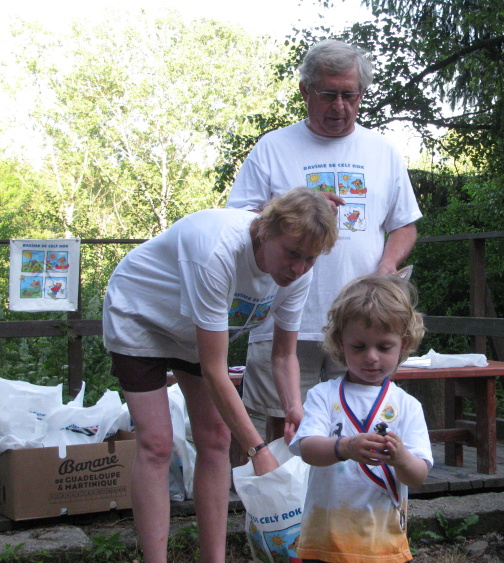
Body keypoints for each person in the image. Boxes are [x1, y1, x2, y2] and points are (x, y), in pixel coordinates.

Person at [102, 188, 338, 563]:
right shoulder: (218, 252)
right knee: (158, 443)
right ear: (265, 230)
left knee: (215, 438)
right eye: (292, 254)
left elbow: (283, 355)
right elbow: (215, 371)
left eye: (310, 259)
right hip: (140, 315)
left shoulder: (298, 276)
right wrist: (258, 450)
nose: (298, 268)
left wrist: (294, 407)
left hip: (193, 330)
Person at [226, 39, 422, 442]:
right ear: (305, 90)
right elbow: (237, 222)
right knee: (285, 423)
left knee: (361, 418)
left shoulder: (381, 151)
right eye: (328, 94)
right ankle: (284, 486)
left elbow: (405, 225)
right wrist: (299, 207)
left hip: (362, 324)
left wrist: (386, 267)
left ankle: (347, 486)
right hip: (284, 317)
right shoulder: (273, 148)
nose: (340, 106)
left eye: (350, 95)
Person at [289, 274, 433, 563]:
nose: (371, 357)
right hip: (324, 542)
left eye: (384, 347)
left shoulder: (408, 406)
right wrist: (344, 447)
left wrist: (401, 458)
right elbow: (307, 449)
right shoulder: (323, 395)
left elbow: (418, 475)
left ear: (403, 344)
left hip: (384, 545)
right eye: (359, 346)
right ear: (340, 342)